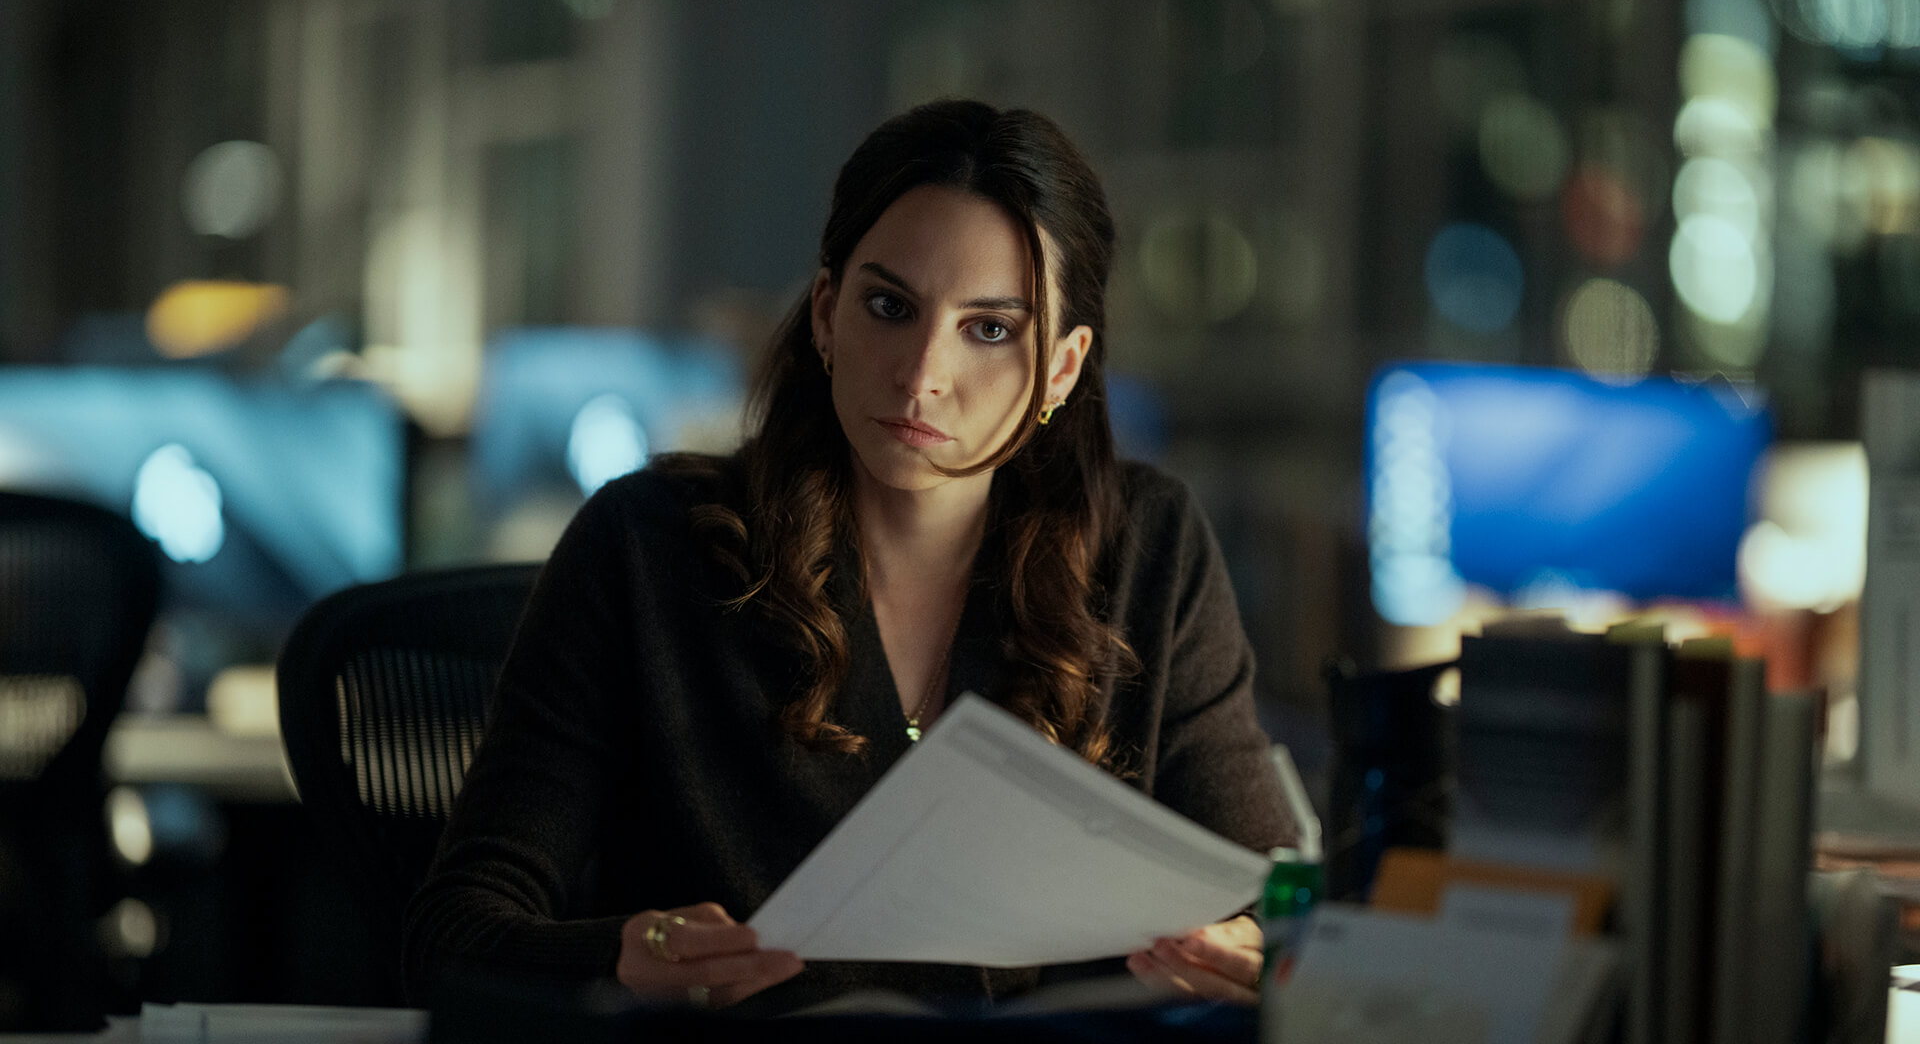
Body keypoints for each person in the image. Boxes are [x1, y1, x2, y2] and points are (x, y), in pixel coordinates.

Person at [403, 99, 1295, 1016]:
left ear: (1062, 370)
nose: (921, 375)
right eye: (889, 307)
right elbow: (456, 930)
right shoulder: (646, 546)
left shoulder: (1151, 548)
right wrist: (620, 956)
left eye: (989, 329)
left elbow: (1280, 899)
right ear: (827, 314)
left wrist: (1261, 950)